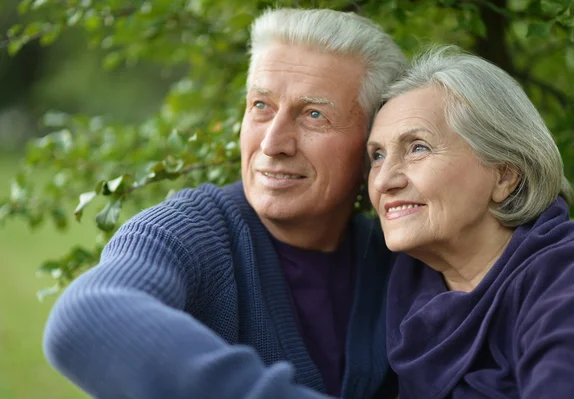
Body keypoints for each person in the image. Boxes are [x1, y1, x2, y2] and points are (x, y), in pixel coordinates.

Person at [43, 8, 407, 399]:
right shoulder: (190, 231)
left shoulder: (401, 257)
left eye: (314, 114)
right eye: (261, 106)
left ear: (374, 145)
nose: (272, 143)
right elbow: (88, 319)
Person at [367, 45, 574, 398]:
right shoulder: (404, 286)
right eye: (377, 155)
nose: (384, 180)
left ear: (505, 175)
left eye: (418, 147)